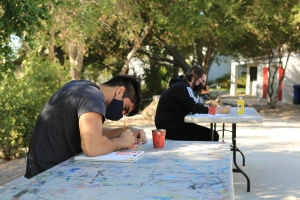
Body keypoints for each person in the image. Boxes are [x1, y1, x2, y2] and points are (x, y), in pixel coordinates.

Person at [25, 75, 147, 179]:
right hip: (49, 175)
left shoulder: (81, 86)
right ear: (120, 91)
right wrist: (122, 141)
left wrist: (127, 130)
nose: (121, 114)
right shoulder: (93, 96)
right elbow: (92, 147)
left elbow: (90, 132)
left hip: (40, 170)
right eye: (124, 108)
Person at [155, 66, 231, 141]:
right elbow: (196, 108)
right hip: (170, 127)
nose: (203, 85)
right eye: (202, 81)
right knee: (212, 136)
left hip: (170, 125)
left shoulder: (181, 86)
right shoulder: (183, 87)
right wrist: (221, 110)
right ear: (194, 78)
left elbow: (195, 105)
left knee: (210, 134)